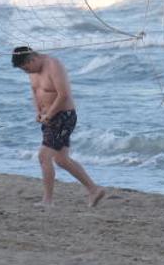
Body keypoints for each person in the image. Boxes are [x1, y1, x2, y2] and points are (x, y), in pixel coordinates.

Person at [12, 46, 106, 208]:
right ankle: (94, 189)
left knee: (44, 156)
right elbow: (35, 92)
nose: (26, 72)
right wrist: (39, 112)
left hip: (63, 116)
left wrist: (50, 114)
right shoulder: (33, 71)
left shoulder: (53, 64)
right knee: (61, 159)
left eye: (26, 68)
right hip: (48, 119)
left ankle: (48, 200)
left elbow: (64, 94)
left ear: (32, 59)